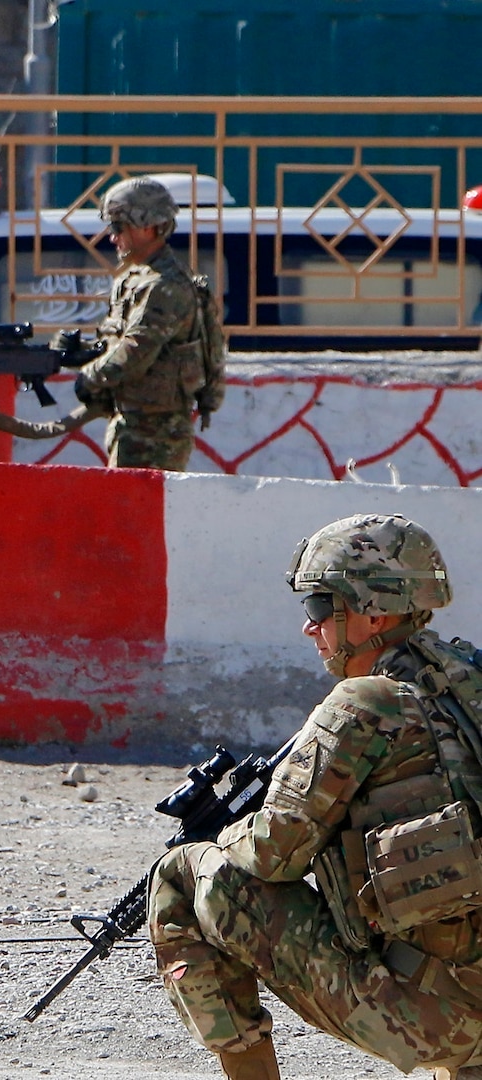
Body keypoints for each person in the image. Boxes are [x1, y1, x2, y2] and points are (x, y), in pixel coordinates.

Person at [148, 513, 482, 1079]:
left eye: (322, 607)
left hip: (443, 1017)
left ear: (372, 611)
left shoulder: (365, 703)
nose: (311, 627)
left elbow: (273, 855)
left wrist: (223, 836)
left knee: (183, 875)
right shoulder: (469, 681)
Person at [61, 175, 226, 470]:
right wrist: (84, 352)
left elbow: (136, 351)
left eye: (117, 227)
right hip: (133, 425)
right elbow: (121, 342)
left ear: (148, 227)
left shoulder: (164, 286)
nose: (112, 238)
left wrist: (91, 376)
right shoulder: (135, 278)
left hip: (155, 435)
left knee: (132, 514)